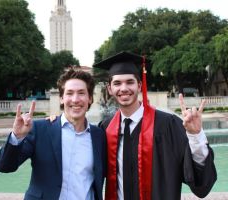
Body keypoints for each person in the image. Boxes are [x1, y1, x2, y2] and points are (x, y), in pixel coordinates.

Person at [93, 51, 217, 200]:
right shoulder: (105, 128)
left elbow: (199, 178)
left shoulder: (167, 125)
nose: (124, 88)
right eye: (117, 83)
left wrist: (196, 135)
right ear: (110, 89)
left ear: (139, 85)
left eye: (130, 82)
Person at [0, 68, 106, 200]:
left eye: (81, 93)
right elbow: (5, 166)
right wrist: (16, 137)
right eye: (69, 93)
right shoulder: (40, 129)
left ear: (90, 98)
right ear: (61, 98)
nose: (75, 99)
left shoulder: (99, 136)